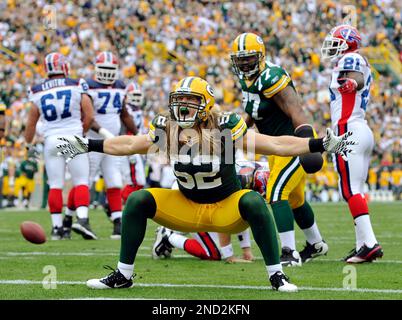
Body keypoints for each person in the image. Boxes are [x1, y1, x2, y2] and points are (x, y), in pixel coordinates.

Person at [56, 76, 355, 292]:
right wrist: (88, 144)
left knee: (253, 200)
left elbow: (275, 144)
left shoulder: (226, 128)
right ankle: (123, 274)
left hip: (225, 208)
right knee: (138, 200)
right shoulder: (168, 128)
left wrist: (318, 143)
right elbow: (129, 144)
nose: (183, 108)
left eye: (190, 102)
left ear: (206, 105)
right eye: (180, 101)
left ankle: (277, 275)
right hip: (186, 206)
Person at [230, 33, 328, 266]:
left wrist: (306, 142)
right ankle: (316, 244)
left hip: (292, 142)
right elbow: (253, 112)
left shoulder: (272, 76)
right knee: (295, 199)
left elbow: (295, 109)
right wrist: (236, 132)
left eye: (249, 58)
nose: (244, 63)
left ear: (261, 56)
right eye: (240, 59)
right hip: (274, 146)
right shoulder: (247, 80)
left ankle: (289, 252)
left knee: (275, 193)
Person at [321, 24, 383, 263]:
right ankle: (362, 246)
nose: (332, 46)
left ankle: (369, 244)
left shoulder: (352, 58)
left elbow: (355, 77)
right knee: (355, 188)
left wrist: (352, 83)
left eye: (336, 41)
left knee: (350, 189)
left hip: (348, 130)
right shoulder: (354, 59)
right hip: (359, 129)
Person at [25, 52, 95, 240]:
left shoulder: (37, 90)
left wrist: (27, 144)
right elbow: (89, 115)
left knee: (55, 184)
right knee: (81, 181)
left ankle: (57, 228)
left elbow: (31, 123)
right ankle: (82, 220)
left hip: (51, 140)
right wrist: (82, 132)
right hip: (73, 136)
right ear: (64, 66)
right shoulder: (76, 84)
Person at [82, 51, 138, 239]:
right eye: (103, 68)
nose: (107, 73)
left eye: (110, 69)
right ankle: (70, 219)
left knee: (114, 179)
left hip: (112, 140)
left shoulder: (121, 86)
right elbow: (87, 115)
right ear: (96, 69)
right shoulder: (88, 86)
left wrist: (138, 134)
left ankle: (117, 221)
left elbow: (124, 114)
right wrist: (102, 132)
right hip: (93, 139)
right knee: (85, 179)